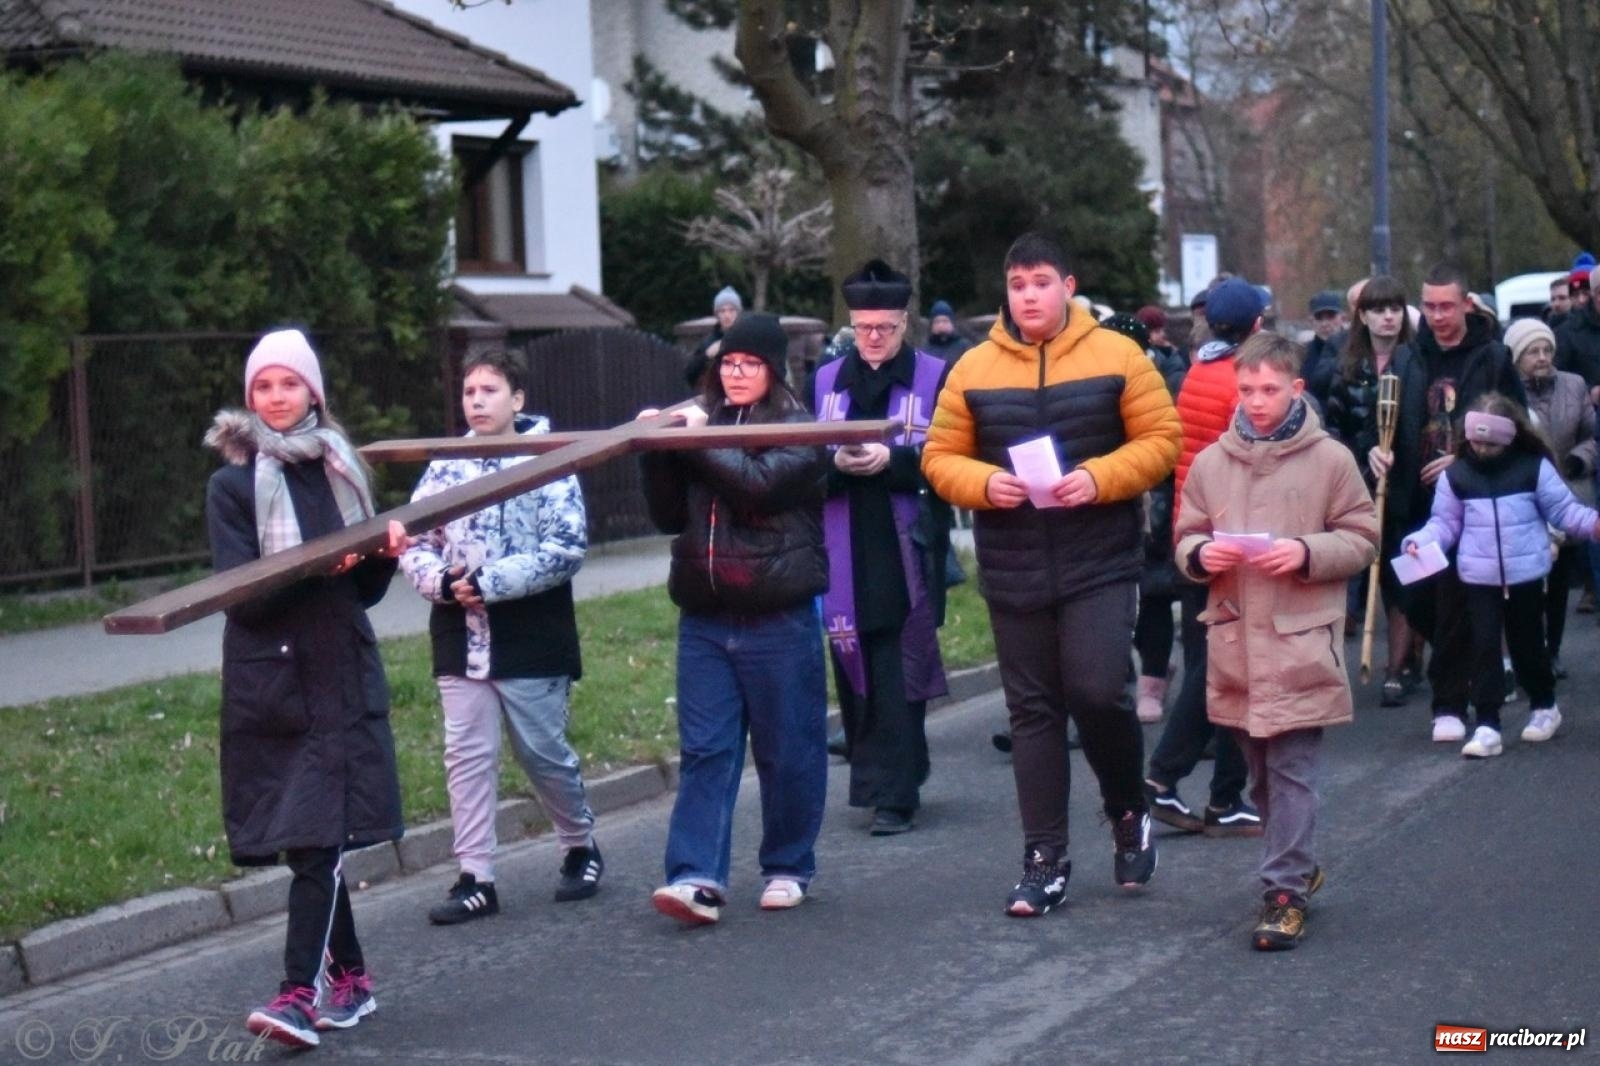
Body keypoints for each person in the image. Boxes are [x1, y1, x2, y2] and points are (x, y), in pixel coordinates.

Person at [923, 232, 1180, 916]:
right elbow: (939, 456)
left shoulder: (1118, 354)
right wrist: (985, 484)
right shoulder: (974, 367)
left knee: (1098, 691)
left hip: (1099, 555)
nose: (1028, 295)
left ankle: (1127, 808)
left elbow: (1162, 441)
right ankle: (1045, 859)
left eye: (1041, 282)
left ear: (1068, 286)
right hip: (1014, 563)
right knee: (1033, 712)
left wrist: (1098, 478)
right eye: (1017, 285)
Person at [204, 329, 407, 1047]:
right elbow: (247, 600)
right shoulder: (232, 486)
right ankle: (350, 981)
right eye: (264, 386)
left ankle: (299, 994)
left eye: (289, 384)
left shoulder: (341, 471)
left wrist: (384, 556)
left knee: (322, 843)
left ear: (313, 391)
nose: (276, 397)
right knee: (309, 843)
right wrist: (321, 566)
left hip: (341, 674)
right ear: (250, 398)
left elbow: (362, 593)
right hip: (275, 682)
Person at [1174, 331, 1378, 951]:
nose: (1256, 402)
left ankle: (1283, 893)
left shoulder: (1331, 460)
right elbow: (1184, 540)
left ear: (1296, 389)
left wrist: (1306, 551)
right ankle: (1297, 865)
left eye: (1269, 390)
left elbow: (1364, 536)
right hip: (1236, 640)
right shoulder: (1213, 462)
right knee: (1259, 774)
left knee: (1292, 771)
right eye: (1246, 390)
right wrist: (1203, 553)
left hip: (1300, 640)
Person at [641, 312, 831, 924]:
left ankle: (787, 864)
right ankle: (696, 876)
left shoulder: (802, 429)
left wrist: (694, 441)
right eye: (727, 362)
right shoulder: (704, 423)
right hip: (704, 615)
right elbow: (670, 516)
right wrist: (656, 450)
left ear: (773, 370)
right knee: (706, 750)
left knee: (789, 749)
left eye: (749, 363)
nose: (736, 372)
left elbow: (756, 487)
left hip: (778, 614)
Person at [399, 352, 601, 926]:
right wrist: (439, 580)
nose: (478, 401)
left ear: (517, 399)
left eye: (491, 389)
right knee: (467, 755)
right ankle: (476, 876)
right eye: (469, 392)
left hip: (531, 628)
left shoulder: (550, 461)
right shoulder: (445, 465)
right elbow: (415, 537)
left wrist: (489, 583)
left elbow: (566, 547)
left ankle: (579, 843)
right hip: (459, 628)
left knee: (541, 752)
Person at [810, 259, 950, 836]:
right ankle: (876, 780)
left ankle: (897, 793)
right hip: (844, 536)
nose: (872, 339)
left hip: (905, 541)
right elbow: (805, 459)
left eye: (884, 328)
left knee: (899, 664)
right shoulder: (824, 380)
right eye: (863, 328)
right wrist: (838, 464)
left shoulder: (934, 376)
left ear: (903, 323)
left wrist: (894, 461)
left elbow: (948, 460)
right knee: (855, 662)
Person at [1368, 263, 1527, 743]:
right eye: (1430, 305)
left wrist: (1461, 459)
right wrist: (1374, 451)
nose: (1437, 316)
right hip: (1415, 505)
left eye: (1446, 306)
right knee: (1418, 600)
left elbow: (1518, 428)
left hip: (1477, 502)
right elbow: (1380, 424)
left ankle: (1459, 705)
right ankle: (1459, 686)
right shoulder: (1406, 360)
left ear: (1465, 305)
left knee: (1470, 606)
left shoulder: (1494, 358)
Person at [1402, 393, 1600, 757]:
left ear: (1509, 437)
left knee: (1528, 645)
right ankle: (1488, 723)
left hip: (1525, 573)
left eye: (1489, 442)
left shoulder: (1532, 468)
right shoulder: (1457, 475)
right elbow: (1444, 524)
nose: (1480, 448)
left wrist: (1592, 525)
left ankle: (1544, 704)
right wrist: (1418, 541)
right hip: (1478, 576)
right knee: (1484, 647)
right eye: (1475, 440)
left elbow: (1564, 510)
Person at [1142, 277, 1264, 839]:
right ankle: (1172, 780)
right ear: (1257, 325)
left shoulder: (1198, 372)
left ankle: (1220, 794)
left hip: (1192, 538)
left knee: (1211, 666)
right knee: (1228, 671)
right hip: (1230, 541)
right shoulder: (1242, 383)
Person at [1324, 275, 1421, 704]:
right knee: (1365, 571)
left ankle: (1399, 666)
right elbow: (1333, 431)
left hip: (1410, 487)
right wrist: (1364, 455)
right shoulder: (1346, 370)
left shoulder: (1417, 362)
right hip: (1361, 488)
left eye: (1395, 309)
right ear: (1362, 316)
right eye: (1378, 310)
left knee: (1405, 576)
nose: (1388, 318)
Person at [1103, 312, 1186, 723]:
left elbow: (1170, 446)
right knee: (1108, 606)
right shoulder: (1094, 383)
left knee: (1154, 594)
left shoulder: (1164, 383)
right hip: (1105, 505)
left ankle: (1152, 682)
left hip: (1155, 502)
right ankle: (1111, 689)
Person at [1509, 318, 1594, 679]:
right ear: (1516, 358)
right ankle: (1526, 653)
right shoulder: (1509, 392)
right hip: (1525, 497)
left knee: (1558, 581)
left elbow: (1595, 434)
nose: (1542, 357)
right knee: (1526, 586)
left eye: (1547, 350)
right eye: (1533, 352)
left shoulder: (1574, 385)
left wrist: (1580, 459)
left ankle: (1553, 650)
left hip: (1569, 491)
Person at [683, 286, 745, 390]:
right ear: (717, 314)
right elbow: (690, 376)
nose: (727, 315)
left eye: (731, 310)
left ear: (738, 313)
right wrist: (706, 356)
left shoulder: (748, 338)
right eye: (722, 311)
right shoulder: (709, 342)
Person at [1300, 290, 1346, 410]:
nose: (1325, 324)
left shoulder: (1356, 350)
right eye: (1319, 317)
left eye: (1331, 316)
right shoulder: (1302, 356)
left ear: (1342, 317)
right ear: (1311, 321)